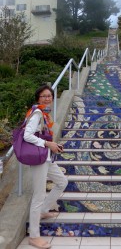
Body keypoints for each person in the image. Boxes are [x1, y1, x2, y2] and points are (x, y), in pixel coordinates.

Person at [24, 85, 68, 249]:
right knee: (38, 194)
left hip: (47, 157)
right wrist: (48, 143)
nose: (47, 98)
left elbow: (40, 135)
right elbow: (27, 135)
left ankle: (43, 210)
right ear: (38, 98)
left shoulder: (44, 114)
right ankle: (34, 237)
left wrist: (53, 145)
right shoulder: (36, 113)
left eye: (49, 96)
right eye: (44, 96)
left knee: (62, 182)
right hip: (39, 158)